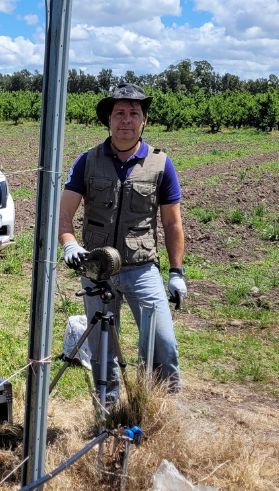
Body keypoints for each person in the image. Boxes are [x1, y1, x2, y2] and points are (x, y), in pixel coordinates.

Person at [58, 84, 187, 402]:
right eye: (119, 113)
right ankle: (107, 414)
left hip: (142, 269)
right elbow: (63, 214)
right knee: (102, 349)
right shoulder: (87, 161)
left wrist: (176, 272)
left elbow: (172, 222)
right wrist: (70, 244)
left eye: (134, 113)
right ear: (109, 120)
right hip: (96, 268)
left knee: (162, 344)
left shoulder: (161, 164)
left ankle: (159, 412)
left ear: (144, 121)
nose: (126, 120)